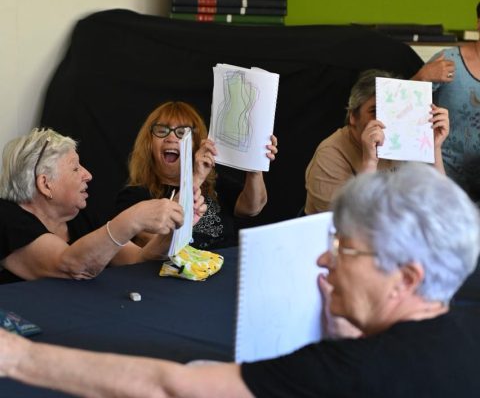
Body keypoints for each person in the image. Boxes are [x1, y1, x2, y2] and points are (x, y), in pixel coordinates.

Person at [1, 163, 480, 397]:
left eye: (345, 250)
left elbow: (170, 387)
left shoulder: (346, 372)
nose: (324, 259)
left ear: (406, 278)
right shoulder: (465, 330)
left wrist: (20, 358)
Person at [0, 128, 206, 284]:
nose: (88, 175)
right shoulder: (6, 217)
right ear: (46, 184)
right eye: (75, 168)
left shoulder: (81, 216)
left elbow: (139, 259)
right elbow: (72, 266)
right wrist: (134, 218)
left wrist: (175, 226)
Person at [115, 101, 278, 249]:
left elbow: (252, 208)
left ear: (196, 143)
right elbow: (155, 245)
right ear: (149, 144)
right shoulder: (134, 196)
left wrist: (255, 165)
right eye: (162, 130)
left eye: (182, 132)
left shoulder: (215, 185)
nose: (171, 137)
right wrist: (196, 178)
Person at [304, 68, 450, 213]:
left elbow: (441, 202)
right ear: (353, 116)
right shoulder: (329, 154)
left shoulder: (404, 139)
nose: (384, 119)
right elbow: (349, 221)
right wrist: (369, 162)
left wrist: (434, 147)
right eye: (374, 111)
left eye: (391, 110)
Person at [412, 1, 480, 202]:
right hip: (440, 182)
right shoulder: (447, 62)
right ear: (478, 23)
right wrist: (421, 77)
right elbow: (401, 111)